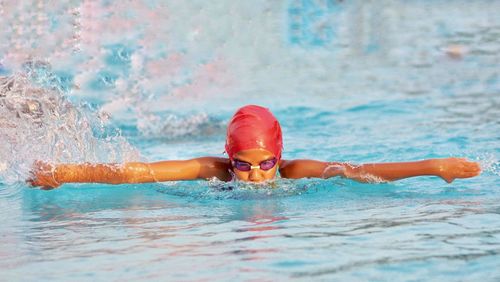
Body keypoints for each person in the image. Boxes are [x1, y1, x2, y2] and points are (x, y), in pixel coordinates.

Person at [29, 105, 481, 190]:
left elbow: (362, 170)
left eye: (266, 163)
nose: (255, 175)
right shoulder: (214, 171)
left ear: (279, 158)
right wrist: (66, 174)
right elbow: (138, 173)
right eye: (243, 165)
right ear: (230, 158)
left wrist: (432, 165)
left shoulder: (295, 172)